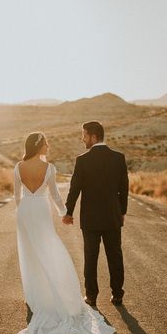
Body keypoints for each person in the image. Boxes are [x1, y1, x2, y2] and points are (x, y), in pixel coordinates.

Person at [13, 131, 115, 334]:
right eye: (46, 143)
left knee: (29, 253)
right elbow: (55, 195)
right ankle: (50, 294)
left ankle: (34, 296)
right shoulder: (49, 168)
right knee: (48, 249)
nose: (48, 145)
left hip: (24, 211)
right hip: (41, 209)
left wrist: (22, 212)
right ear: (39, 145)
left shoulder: (18, 167)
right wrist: (64, 214)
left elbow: (16, 196)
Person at [63, 121, 128, 307]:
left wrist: (68, 212)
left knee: (91, 257)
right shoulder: (118, 158)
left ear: (93, 136)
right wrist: (122, 211)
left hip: (90, 219)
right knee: (115, 256)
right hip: (112, 216)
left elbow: (74, 189)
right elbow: (124, 189)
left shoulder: (82, 160)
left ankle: (91, 296)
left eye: (84, 135)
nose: (82, 139)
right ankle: (117, 295)